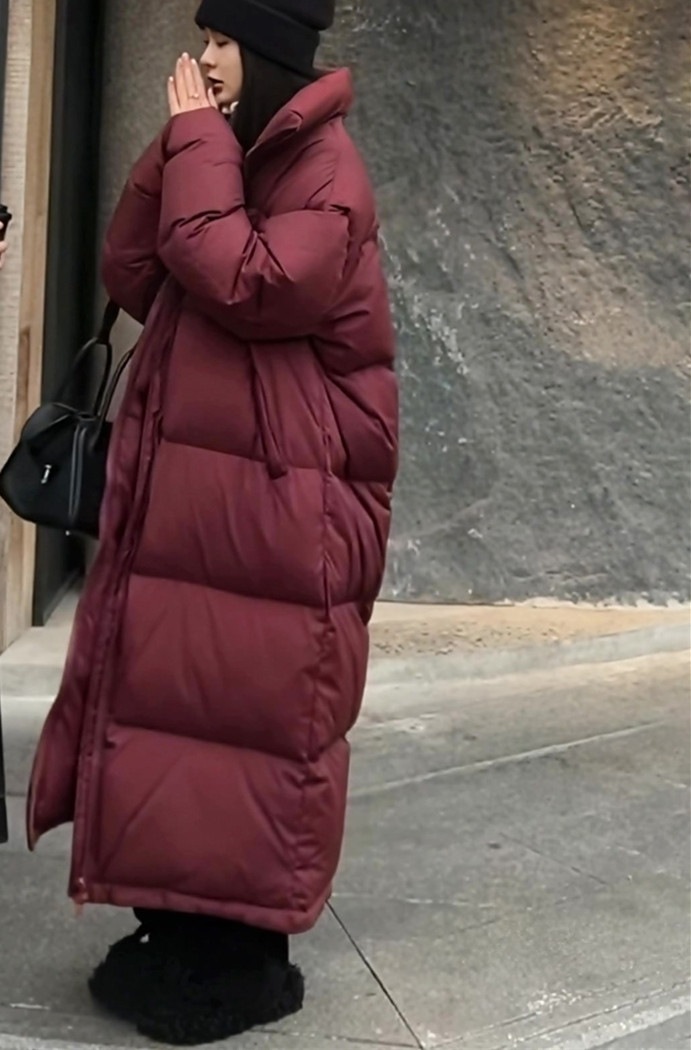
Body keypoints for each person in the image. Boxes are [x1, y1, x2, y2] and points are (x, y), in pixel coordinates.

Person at [26, 0, 398, 1044]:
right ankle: (177, 928)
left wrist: (199, 145)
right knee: (181, 712)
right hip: (209, 491)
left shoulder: (327, 173)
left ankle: (234, 956)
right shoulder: (231, 150)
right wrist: (184, 144)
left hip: (280, 507)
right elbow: (136, 270)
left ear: (272, 52)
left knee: (245, 722)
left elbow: (252, 283)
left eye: (225, 41)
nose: (205, 58)